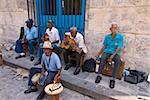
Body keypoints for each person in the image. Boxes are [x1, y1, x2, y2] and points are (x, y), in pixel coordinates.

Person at [95, 23, 124, 89]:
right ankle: (99, 75)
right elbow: (104, 46)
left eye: (116, 28)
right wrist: (99, 53)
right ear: (110, 29)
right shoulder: (107, 37)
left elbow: (119, 48)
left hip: (115, 53)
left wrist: (111, 57)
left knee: (118, 61)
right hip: (107, 51)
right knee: (102, 58)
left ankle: (113, 79)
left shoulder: (120, 37)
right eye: (114, 28)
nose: (115, 29)